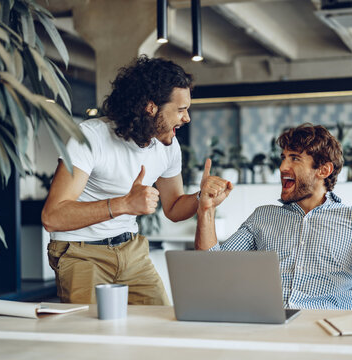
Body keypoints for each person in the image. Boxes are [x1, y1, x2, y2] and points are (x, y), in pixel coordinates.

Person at [41, 56, 231, 305]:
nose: (187, 119)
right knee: (91, 337)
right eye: (181, 109)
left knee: (159, 327)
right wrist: (124, 204)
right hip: (80, 253)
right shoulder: (91, 137)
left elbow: (173, 208)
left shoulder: (168, 147)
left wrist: (200, 198)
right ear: (150, 107)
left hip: (131, 250)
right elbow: (52, 217)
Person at [195, 123, 352, 310]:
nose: (282, 168)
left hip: (328, 338)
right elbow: (211, 272)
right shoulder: (262, 217)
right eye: (283, 158)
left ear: (323, 170)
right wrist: (206, 210)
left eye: (295, 158)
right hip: (270, 334)